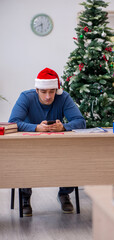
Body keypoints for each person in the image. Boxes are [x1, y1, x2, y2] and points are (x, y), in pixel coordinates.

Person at [9, 67, 86, 217]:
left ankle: (64, 193)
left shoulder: (63, 97)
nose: (48, 96)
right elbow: (13, 122)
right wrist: (36, 128)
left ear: (57, 90)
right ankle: (25, 197)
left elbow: (80, 122)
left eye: (52, 91)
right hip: (29, 145)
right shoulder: (26, 97)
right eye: (44, 92)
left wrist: (63, 126)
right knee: (23, 159)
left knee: (73, 157)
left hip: (57, 145)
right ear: (36, 90)